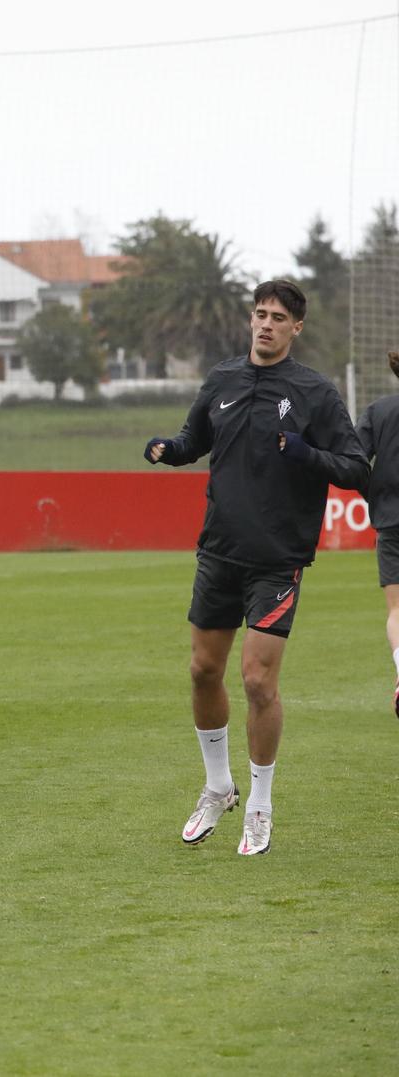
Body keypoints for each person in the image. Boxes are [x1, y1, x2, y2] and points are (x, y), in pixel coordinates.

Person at [146, 279, 368, 856]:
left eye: (278, 318)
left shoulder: (315, 392)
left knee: (257, 680)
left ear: (297, 328)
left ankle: (262, 805)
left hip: (278, 559)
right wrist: (167, 450)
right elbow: (194, 441)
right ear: (251, 319)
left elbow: (354, 467)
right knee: (201, 671)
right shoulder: (221, 379)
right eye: (260, 314)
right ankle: (219, 787)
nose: (266, 324)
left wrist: (303, 453)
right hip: (219, 551)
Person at [356, 351, 399, 718]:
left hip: (391, 520)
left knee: (397, 610)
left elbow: (353, 462)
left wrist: (374, 494)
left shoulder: (378, 411)